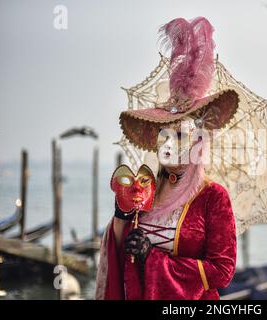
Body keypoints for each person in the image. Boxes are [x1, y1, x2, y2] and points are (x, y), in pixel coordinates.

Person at [95, 16, 240, 300]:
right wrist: (123, 218)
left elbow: (222, 271)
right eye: (164, 134)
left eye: (180, 135)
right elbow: (119, 254)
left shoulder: (213, 197)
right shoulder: (145, 189)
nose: (169, 144)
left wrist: (155, 259)